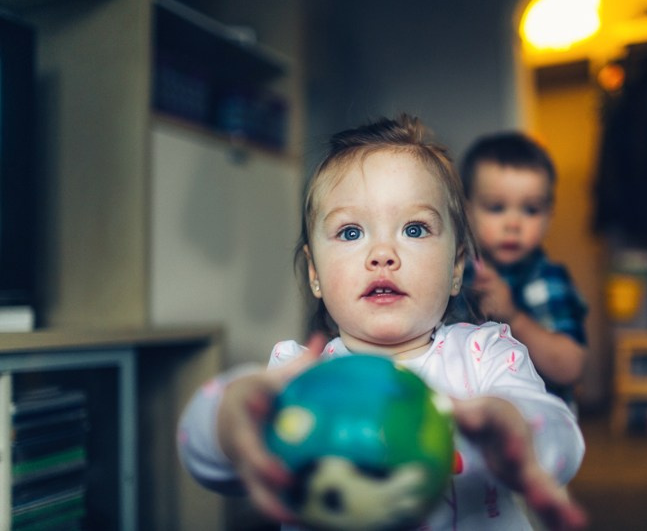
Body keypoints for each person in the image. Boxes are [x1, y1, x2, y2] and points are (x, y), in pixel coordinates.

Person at [177, 115, 587, 530]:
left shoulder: (488, 356)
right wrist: (226, 420)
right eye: (351, 232)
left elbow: (563, 438)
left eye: (414, 228)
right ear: (314, 274)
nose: (383, 254)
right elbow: (202, 453)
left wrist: (518, 431)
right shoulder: (299, 377)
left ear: (457, 268)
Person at [458, 132, 588, 410]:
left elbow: (570, 368)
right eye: (496, 207)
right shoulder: (454, 278)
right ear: (467, 212)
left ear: (548, 219)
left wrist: (513, 316)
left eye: (530, 210)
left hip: (540, 433)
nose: (514, 223)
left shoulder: (549, 280)